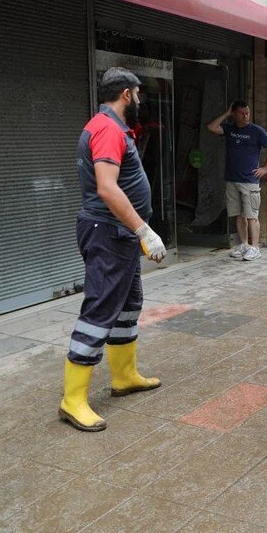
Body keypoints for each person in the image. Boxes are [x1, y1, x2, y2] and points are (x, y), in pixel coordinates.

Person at [59, 67, 164, 432]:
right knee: (100, 309)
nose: (140, 101)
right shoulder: (107, 129)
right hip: (109, 233)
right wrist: (143, 231)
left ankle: (124, 376)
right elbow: (107, 187)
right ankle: (72, 400)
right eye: (138, 94)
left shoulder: (113, 127)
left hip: (118, 235)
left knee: (129, 303)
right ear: (126, 94)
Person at [207, 101, 267, 261]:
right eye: (241, 113)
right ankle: (244, 244)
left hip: (249, 180)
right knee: (238, 214)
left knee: (252, 215)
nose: (245, 116)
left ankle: (255, 247)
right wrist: (226, 114)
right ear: (235, 114)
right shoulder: (230, 129)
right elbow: (211, 127)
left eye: (247, 113)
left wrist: (265, 168)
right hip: (232, 179)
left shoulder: (256, 131)